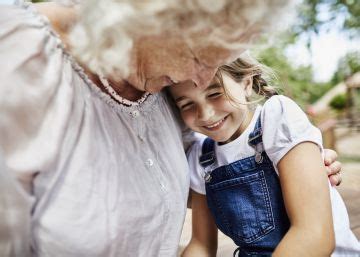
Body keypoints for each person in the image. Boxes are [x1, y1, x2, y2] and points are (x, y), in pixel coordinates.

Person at [0, 0, 343, 256]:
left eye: (219, 63)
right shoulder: (19, 57)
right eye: (198, 57)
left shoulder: (163, 84)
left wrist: (297, 171)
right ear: (146, 20)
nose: (200, 79)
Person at [168, 54, 360, 256]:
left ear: (246, 83)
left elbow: (313, 235)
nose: (205, 114)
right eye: (187, 105)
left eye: (215, 93)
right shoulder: (201, 158)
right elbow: (202, 245)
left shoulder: (277, 117)